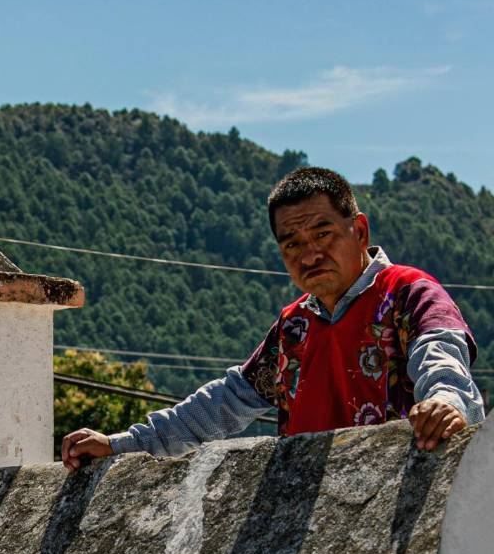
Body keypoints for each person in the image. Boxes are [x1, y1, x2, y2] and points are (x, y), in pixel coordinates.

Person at [62, 166, 485, 468]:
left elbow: (440, 354)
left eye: (323, 234)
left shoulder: (407, 293)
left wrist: (445, 401)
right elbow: (224, 403)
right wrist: (124, 446)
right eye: (292, 244)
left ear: (359, 231)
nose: (310, 254)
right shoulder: (294, 328)